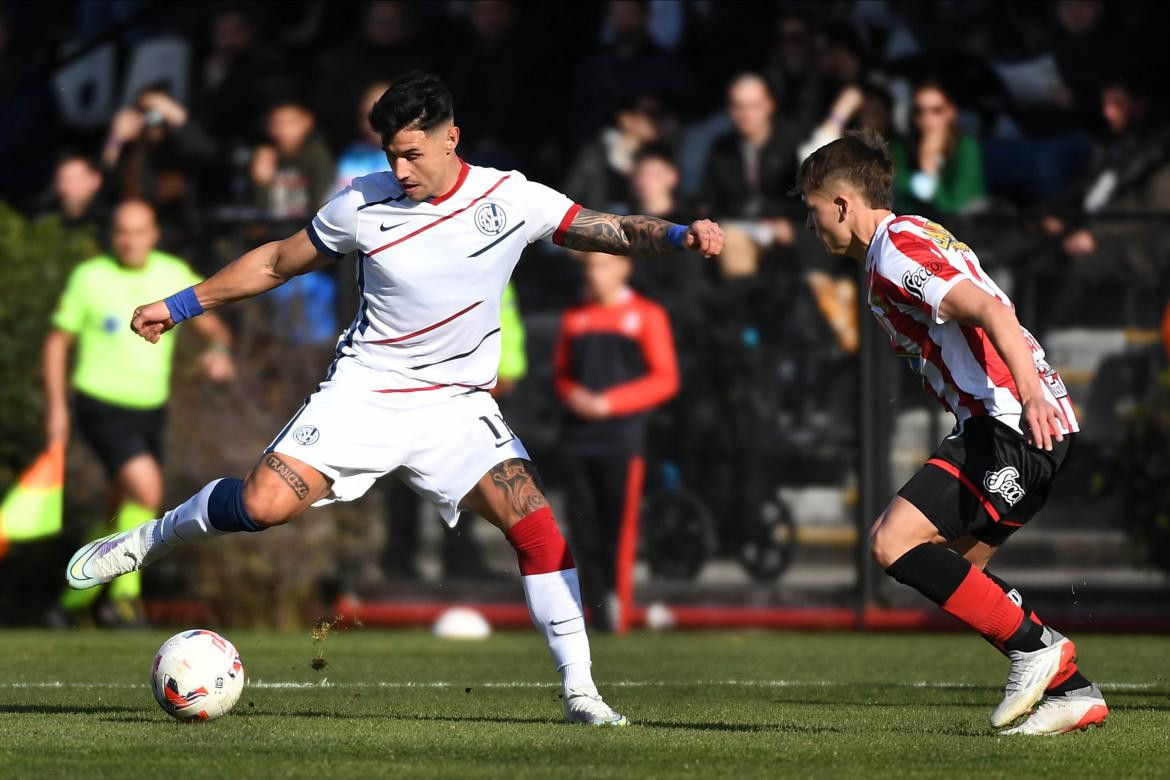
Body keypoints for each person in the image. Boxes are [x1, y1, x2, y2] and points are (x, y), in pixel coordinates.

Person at [65, 72, 723, 725]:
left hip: (457, 406)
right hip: (366, 392)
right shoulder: (361, 203)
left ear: (451, 139)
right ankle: (151, 539)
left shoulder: (510, 198)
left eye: (412, 153)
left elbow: (604, 228)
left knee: (536, 525)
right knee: (262, 506)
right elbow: (275, 264)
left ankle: (582, 693)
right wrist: (179, 305)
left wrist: (675, 236)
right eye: (391, 155)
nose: (400, 169)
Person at [792, 130, 1107, 736]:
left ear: (841, 205)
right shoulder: (913, 235)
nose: (811, 227)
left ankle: (1038, 652)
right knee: (957, 571)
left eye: (812, 211)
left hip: (1011, 423)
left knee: (893, 543)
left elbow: (993, 311)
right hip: (1029, 423)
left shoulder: (893, 250)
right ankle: (1074, 692)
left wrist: (1031, 394)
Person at [46, 201, 234, 626]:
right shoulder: (89, 277)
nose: (130, 240)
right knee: (147, 491)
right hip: (100, 404)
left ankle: (71, 603)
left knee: (119, 503)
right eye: (122, 231)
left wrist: (219, 351)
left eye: (139, 231)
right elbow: (56, 343)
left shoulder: (170, 273)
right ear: (113, 235)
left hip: (150, 409)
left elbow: (214, 326)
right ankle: (124, 600)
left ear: (153, 234)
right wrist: (57, 406)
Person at [554, 251, 678, 633]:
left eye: (603, 265)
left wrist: (610, 403)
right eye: (590, 266)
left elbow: (664, 379)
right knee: (581, 527)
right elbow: (561, 374)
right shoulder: (575, 316)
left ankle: (615, 610)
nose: (595, 273)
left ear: (625, 267)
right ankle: (587, 609)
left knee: (617, 530)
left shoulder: (646, 315)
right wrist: (573, 395)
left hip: (622, 440)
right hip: (578, 439)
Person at [890, 81, 986, 216]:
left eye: (936, 110)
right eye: (919, 111)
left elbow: (955, 208)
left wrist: (928, 166)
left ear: (951, 112)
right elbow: (900, 200)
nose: (927, 118)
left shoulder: (966, 148)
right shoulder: (901, 147)